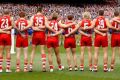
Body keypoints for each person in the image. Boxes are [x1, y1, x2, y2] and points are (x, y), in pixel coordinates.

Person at [29, 7, 55, 72]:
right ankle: (43, 67)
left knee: (33, 51)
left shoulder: (33, 17)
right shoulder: (44, 17)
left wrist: (36, 28)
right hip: (42, 34)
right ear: (41, 11)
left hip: (35, 34)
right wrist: (53, 30)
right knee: (42, 50)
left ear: (36, 11)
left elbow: (31, 26)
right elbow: (46, 26)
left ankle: (30, 67)